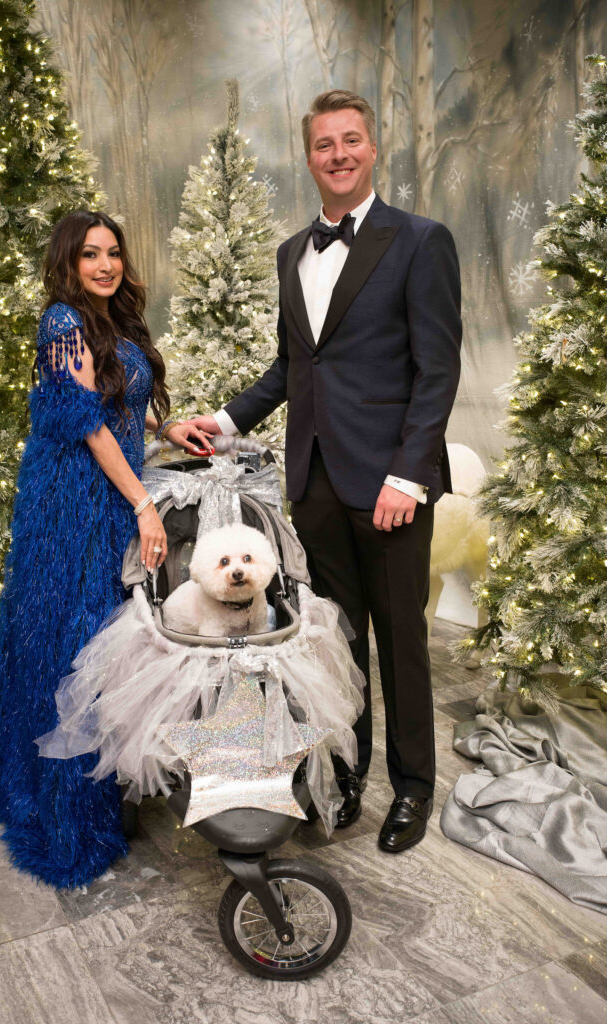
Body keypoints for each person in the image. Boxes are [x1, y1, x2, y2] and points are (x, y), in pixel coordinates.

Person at [190, 90, 462, 853]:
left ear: (373, 149)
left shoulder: (420, 241)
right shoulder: (290, 253)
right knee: (337, 647)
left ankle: (412, 789)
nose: (338, 155)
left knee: (401, 644)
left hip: (390, 489)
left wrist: (408, 477)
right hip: (313, 483)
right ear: (308, 156)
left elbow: (436, 371)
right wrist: (224, 422)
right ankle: (347, 776)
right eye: (323, 145)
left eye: (351, 141)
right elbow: (291, 367)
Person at [0, 210, 211, 888]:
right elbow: (89, 423)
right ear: (68, 263)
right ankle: (60, 800)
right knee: (67, 638)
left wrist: (168, 426)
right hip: (69, 497)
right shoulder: (62, 323)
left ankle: (92, 778)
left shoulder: (113, 321)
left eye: (111, 254)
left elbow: (120, 403)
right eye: (89, 256)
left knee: (94, 634)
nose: (103, 265)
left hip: (104, 491)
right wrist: (141, 504)